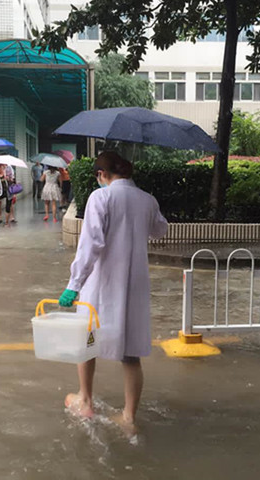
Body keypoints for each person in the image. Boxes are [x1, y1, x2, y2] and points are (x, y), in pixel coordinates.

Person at [58, 151, 168, 437]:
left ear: (101, 174)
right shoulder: (147, 200)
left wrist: (73, 284)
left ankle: (85, 401)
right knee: (131, 352)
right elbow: (161, 230)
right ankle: (129, 417)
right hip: (134, 286)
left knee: (87, 341)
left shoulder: (101, 197)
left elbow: (90, 245)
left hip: (100, 284)